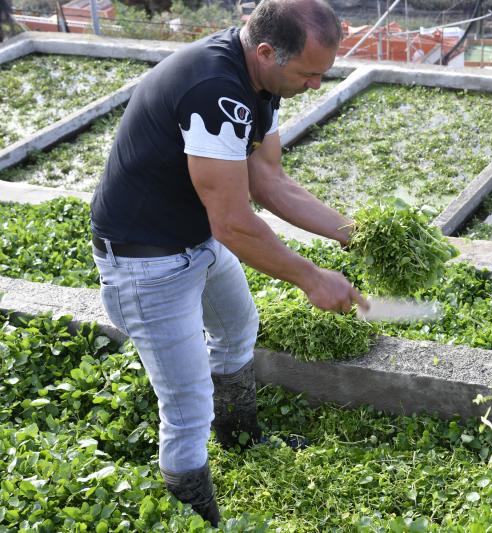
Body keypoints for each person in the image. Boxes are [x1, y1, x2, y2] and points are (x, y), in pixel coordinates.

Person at [90, 0, 367, 525]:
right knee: (187, 405)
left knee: (238, 330)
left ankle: (241, 437)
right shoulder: (214, 90)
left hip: (196, 239)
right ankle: (194, 514)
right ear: (266, 51)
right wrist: (311, 278)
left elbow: (268, 179)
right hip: (146, 260)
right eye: (309, 74)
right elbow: (235, 223)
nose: (315, 85)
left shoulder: (261, 82)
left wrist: (355, 237)